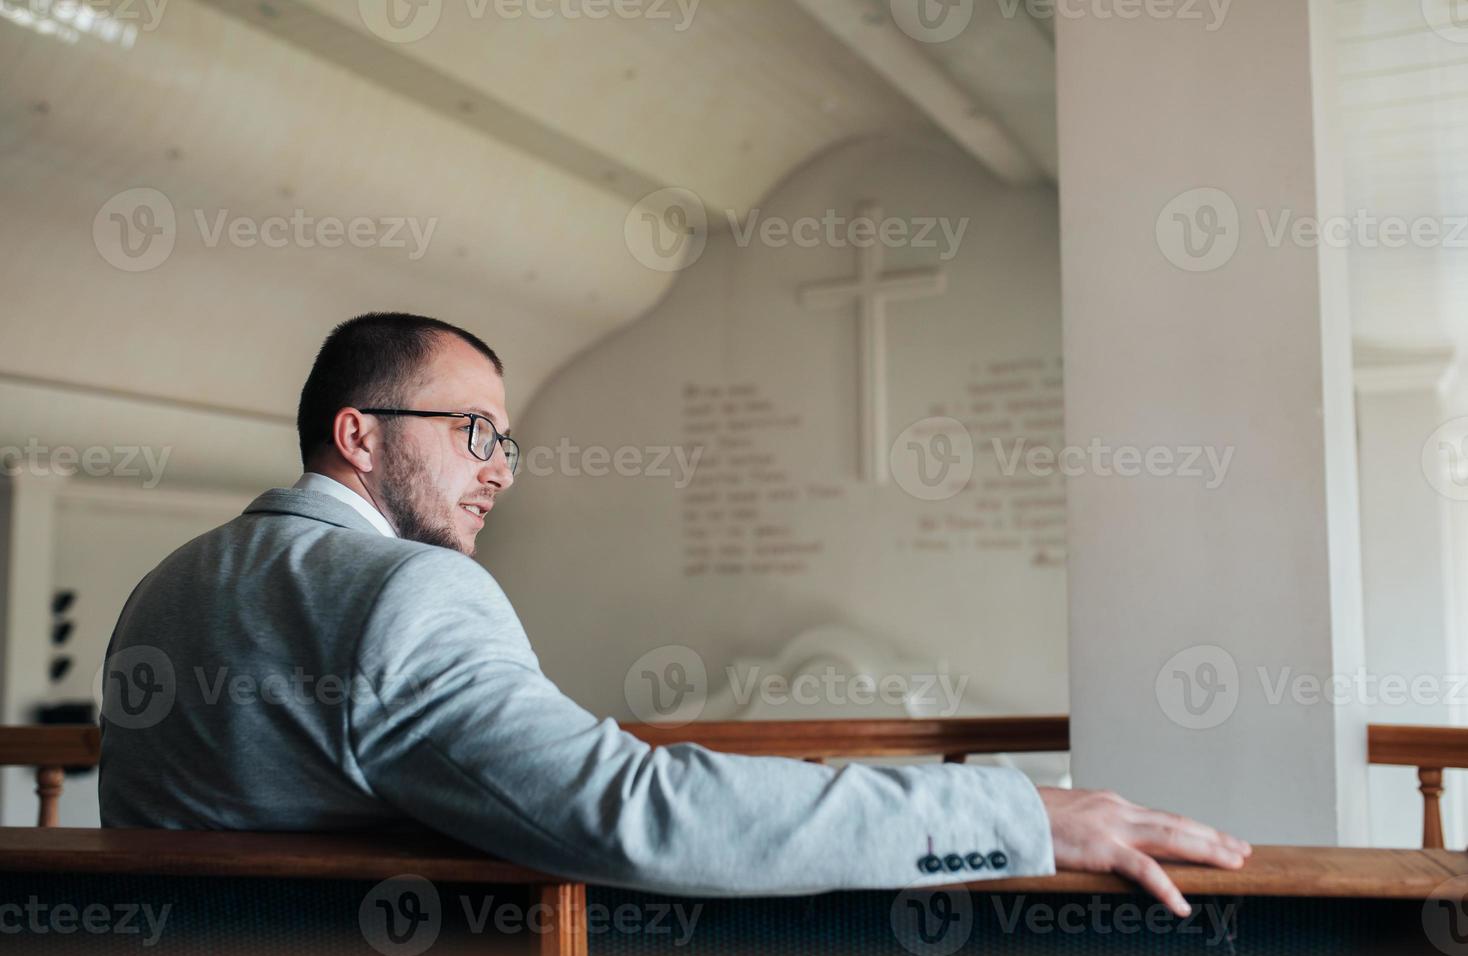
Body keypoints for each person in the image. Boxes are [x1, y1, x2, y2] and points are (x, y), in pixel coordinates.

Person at [99, 312, 1249, 912]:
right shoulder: (410, 591)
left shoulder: (167, 585)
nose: (502, 467)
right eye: (475, 433)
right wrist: (1015, 814)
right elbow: (631, 812)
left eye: (509, 438)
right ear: (360, 433)